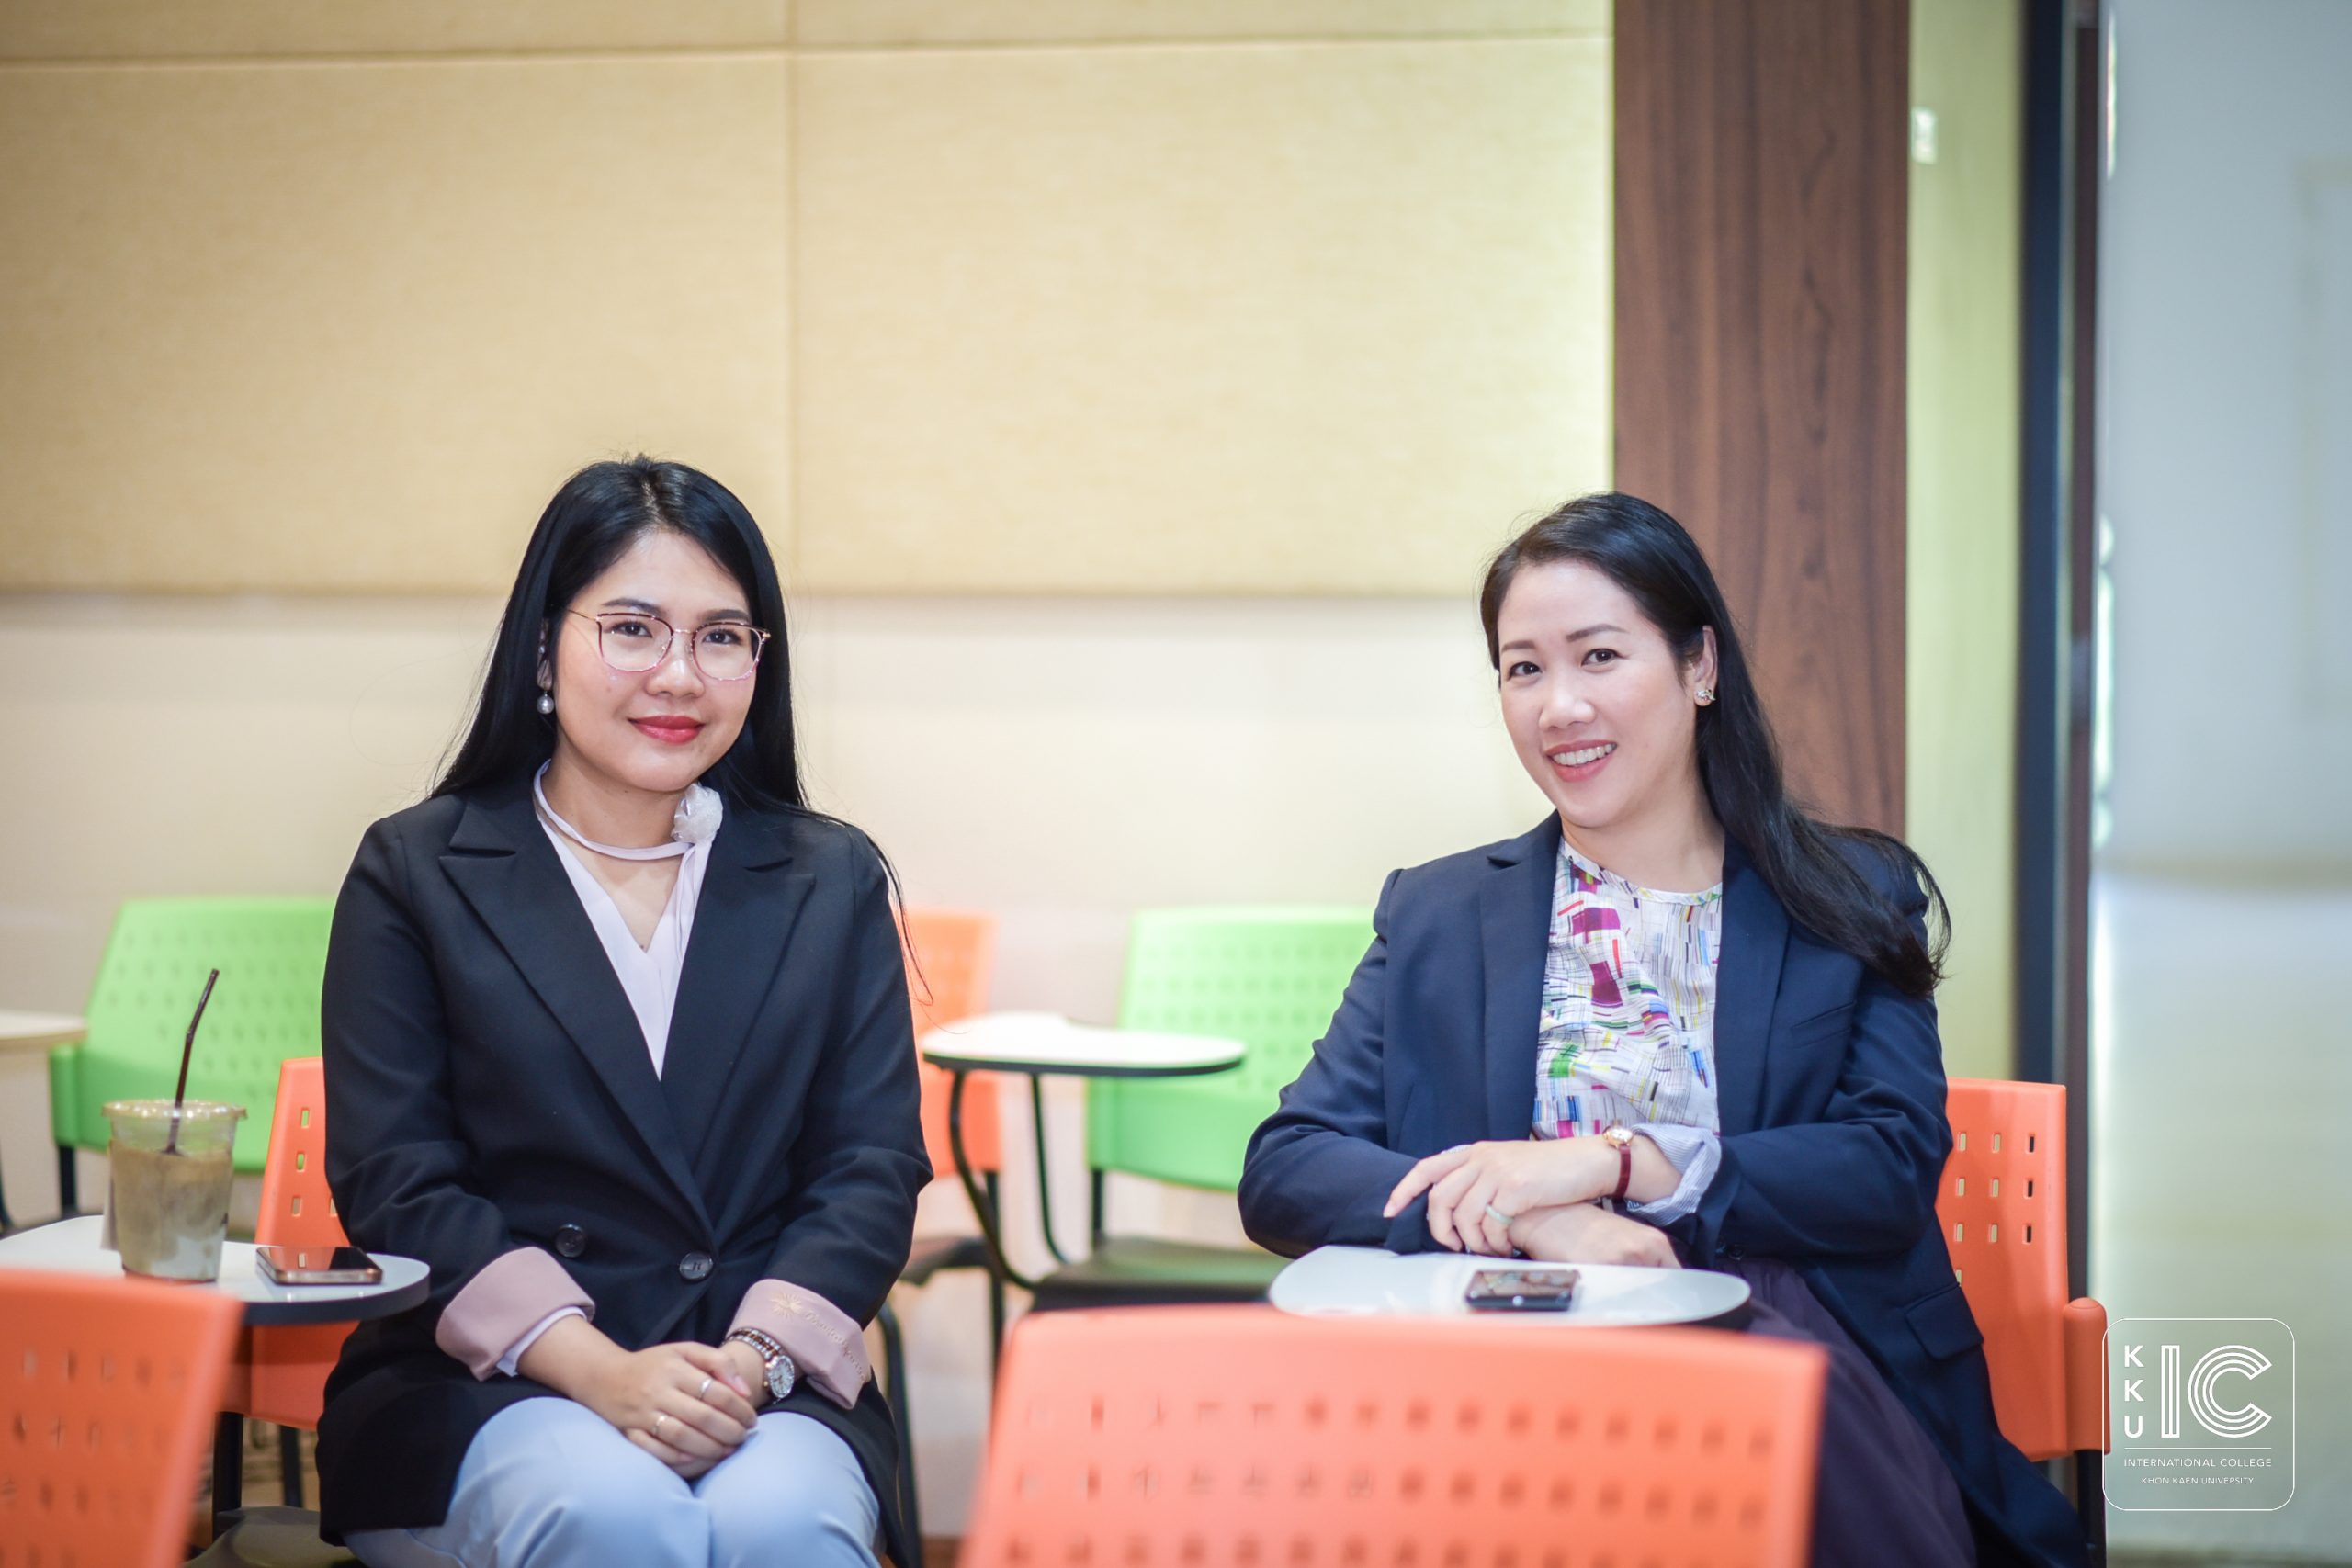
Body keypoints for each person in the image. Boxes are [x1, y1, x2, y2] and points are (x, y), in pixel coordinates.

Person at [1238, 492, 2086, 1568]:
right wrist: (1535, 1223)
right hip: (1505, 1353)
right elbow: (1288, 1166)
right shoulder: (1440, 912)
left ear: (1699, 666)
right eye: (1523, 669)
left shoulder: (1847, 894)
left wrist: (1614, 1162)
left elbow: (1884, 1167)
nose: (1559, 707)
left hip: (1778, 1338)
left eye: (1599, 656)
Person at [314, 458, 929, 1568]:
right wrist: (596, 1369)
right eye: (633, 629)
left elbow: (868, 1168)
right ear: (542, 650)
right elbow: (398, 1180)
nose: (678, 676)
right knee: (614, 1516)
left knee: (783, 1525)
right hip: (485, 1380)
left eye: (721, 637)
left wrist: (748, 1362)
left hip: (756, 1371)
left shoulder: (829, 878)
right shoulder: (417, 870)